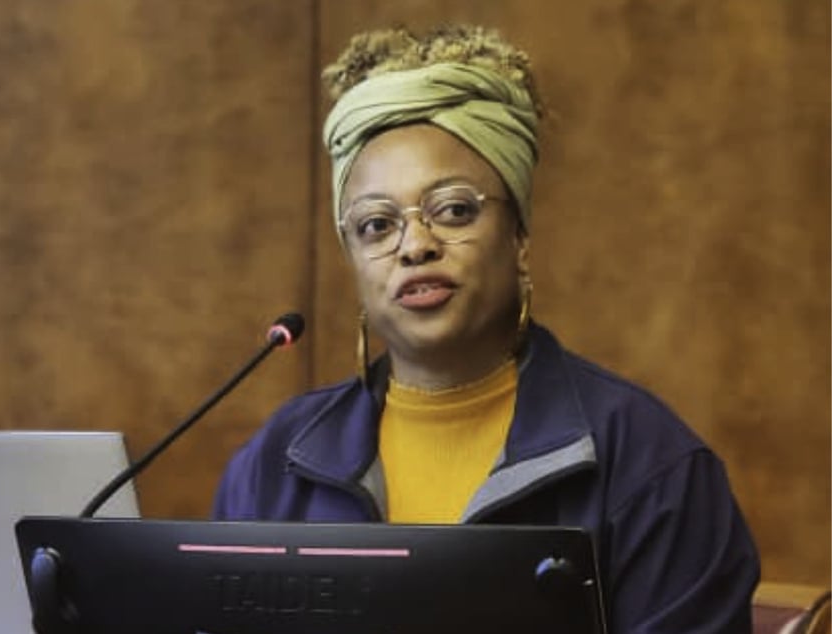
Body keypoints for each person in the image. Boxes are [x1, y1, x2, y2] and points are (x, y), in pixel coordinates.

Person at [213, 24, 760, 632]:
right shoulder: (273, 465)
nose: (415, 246)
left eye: (453, 210)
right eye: (376, 225)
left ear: (519, 237)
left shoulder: (652, 465)